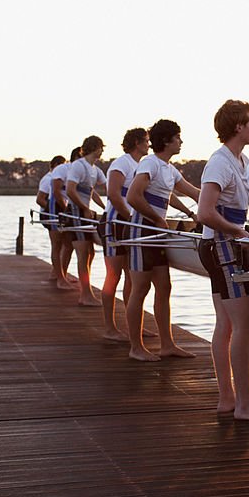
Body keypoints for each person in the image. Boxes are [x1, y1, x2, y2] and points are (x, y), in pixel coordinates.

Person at [197, 100, 249, 422]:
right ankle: (244, 404)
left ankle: (228, 398)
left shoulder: (242, 160)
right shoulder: (220, 163)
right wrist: (239, 232)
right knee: (245, 325)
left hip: (221, 245)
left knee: (227, 325)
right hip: (221, 247)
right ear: (239, 127)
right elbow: (205, 212)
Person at [125, 119, 200, 361]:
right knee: (140, 289)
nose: (181, 142)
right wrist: (156, 220)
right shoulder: (150, 163)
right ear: (166, 141)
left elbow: (189, 192)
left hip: (157, 233)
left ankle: (167, 345)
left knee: (164, 287)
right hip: (141, 232)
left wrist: (200, 208)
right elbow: (134, 197)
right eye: (178, 137)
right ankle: (136, 348)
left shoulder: (169, 168)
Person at [100, 127, 150, 342]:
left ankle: (134, 327)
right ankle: (110, 328)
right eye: (146, 141)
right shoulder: (122, 163)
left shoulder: (140, 165)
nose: (149, 144)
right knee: (114, 276)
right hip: (115, 224)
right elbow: (112, 193)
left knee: (132, 278)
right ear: (137, 142)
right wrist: (129, 217)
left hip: (129, 225)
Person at [66, 136, 107, 307]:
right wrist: (84, 207)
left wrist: (106, 207)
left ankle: (86, 291)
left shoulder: (94, 169)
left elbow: (105, 189)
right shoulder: (78, 165)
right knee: (82, 254)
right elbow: (70, 190)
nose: (102, 150)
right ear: (94, 148)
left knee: (90, 253)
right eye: (101, 147)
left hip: (84, 214)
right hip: (75, 213)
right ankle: (85, 295)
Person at [50, 148, 80, 290]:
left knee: (68, 244)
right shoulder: (63, 169)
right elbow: (56, 191)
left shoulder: (81, 170)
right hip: (55, 207)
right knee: (57, 243)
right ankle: (59, 278)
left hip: (69, 208)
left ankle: (63, 273)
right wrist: (64, 209)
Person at [36, 155, 67, 283]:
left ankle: (58, 272)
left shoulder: (60, 179)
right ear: (54, 166)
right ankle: (57, 274)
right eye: (61, 166)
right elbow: (39, 199)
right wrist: (52, 210)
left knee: (64, 244)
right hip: (50, 214)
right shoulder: (48, 179)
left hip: (60, 213)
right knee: (57, 244)